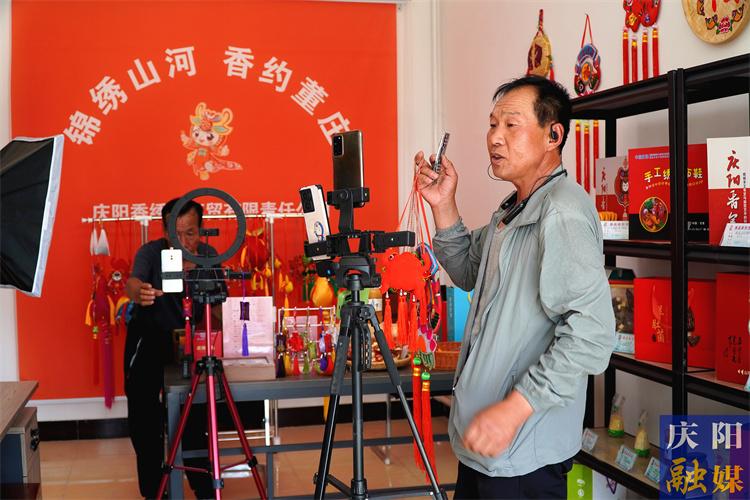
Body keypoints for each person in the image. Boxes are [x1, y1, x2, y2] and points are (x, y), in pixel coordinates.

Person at [415, 76, 616, 499]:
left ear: (553, 135)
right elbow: (468, 270)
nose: (495, 137)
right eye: (492, 124)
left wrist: (515, 408)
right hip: (487, 445)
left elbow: (591, 335)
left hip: (522, 450)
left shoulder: (561, 213)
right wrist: (444, 204)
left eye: (511, 125)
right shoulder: (516, 208)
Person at [124, 198, 216, 499]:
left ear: (201, 230)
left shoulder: (210, 256)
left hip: (191, 343)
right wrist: (140, 292)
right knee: (144, 417)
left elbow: (219, 307)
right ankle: (155, 490)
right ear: (165, 231)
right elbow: (132, 283)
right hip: (149, 339)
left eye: (190, 233)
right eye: (175, 234)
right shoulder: (150, 253)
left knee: (195, 414)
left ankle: (203, 485)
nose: (183, 242)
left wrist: (202, 277)